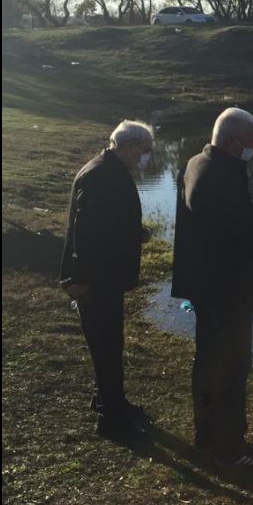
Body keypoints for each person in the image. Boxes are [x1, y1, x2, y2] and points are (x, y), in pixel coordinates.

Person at [171, 107, 253, 467]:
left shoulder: (198, 162)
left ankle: (207, 436)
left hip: (206, 285)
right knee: (231, 366)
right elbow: (240, 231)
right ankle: (230, 448)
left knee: (209, 362)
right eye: (250, 141)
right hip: (226, 291)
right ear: (232, 142)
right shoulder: (219, 176)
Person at [59, 120, 155, 443]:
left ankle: (112, 401)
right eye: (145, 151)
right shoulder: (101, 175)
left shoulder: (111, 170)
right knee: (106, 346)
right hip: (95, 282)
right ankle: (110, 419)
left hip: (107, 278)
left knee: (110, 344)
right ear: (129, 147)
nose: (146, 158)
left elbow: (108, 223)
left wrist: (133, 232)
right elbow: (84, 235)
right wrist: (80, 283)